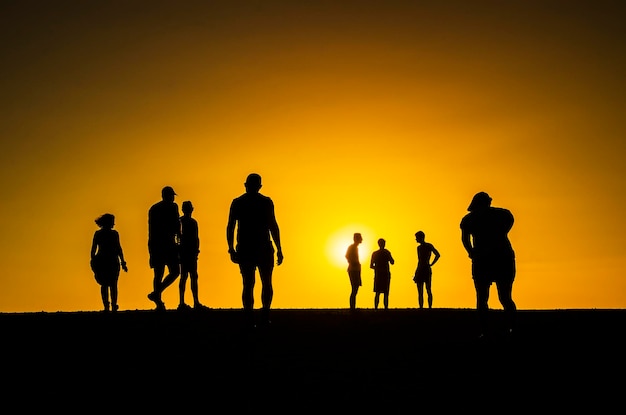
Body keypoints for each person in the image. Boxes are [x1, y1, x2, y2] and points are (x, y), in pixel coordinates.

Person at [227, 173, 284, 326]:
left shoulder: (239, 202)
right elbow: (273, 225)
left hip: (250, 248)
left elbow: (230, 227)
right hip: (260, 247)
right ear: (259, 186)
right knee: (263, 282)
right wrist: (279, 248)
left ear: (246, 185)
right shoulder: (264, 202)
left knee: (250, 283)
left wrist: (231, 248)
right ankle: (263, 316)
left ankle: (251, 317)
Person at [460, 191, 517, 337]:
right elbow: (465, 240)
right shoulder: (503, 215)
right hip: (501, 257)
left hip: (484, 258)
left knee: (483, 297)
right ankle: (511, 328)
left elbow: (465, 240)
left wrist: (471, 252)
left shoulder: (469, 219)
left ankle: (486, 330)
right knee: (504, 297)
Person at [147, 186, 181, 311]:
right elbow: (177, 226)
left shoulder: (154, 208)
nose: (173, 198)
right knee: (175, 271)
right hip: (168, 244)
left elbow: (150, 230)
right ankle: (158, 296)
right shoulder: (173, 207)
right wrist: (179, 240)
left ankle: (158, 299)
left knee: (158, 273)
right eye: (172, 195)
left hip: (156, 244)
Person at [90, 213, 128, 312]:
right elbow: (119, 248)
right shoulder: (113, 234)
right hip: (110, 261)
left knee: (105, 285)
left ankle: (108, 306)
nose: (113, 223)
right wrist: (122, 262)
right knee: (112, 284)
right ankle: (112, 305)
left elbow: (93, 249)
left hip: (105, 260)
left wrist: (93, 260)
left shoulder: (100, 234)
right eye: (112, 221)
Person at [178, 200, 206, 311]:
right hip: (187, 252)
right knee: (188, 277)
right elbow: (194, 238)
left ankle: (188, 302)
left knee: (188, 277)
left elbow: (196, 238)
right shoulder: (188, 222)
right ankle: (188, 302)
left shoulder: (184, 222)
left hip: (189, 252)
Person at [412, 231, 440, 309]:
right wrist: (431, 264)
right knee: (426, 289)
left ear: (421, 237)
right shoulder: (423, 247)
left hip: (423, 268)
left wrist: (432, 263)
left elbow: (437, 255)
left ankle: (425, 307)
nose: (416, 239)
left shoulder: (423, 247)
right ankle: (426, 307)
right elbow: (437, 255)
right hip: (425, 268)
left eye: (417, 238)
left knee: (424, 290)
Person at [370, 238, 395, 310]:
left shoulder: (375, 253)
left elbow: (371, 266)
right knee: (385, 293)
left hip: (379, 274)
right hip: (384, 274)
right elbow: (392, 262)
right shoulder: (387, 252)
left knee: (378, 293)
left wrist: (377, 268)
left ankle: (376, 308)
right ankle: (385, 308)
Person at [345, 232, 363, 311]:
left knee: (355, 288)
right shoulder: (352, 247)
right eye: (360, 238)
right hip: (353, 270)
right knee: (354, 288)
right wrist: (353, 262)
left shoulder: (355, 248)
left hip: (356, 269)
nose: (361, 239)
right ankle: (352, 307)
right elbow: (347, 256)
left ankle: (353, 307)